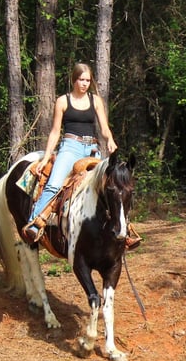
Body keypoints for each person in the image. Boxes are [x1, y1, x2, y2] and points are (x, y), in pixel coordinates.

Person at [22, 62, 118, 243]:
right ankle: (34, 223)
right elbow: (55, 131)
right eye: (81, 79)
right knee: (54, 184)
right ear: (74, 80)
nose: (84, 83)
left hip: (91, 149)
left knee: (111, 186)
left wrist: (110, 140)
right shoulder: (63, 101)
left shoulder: (95, 100)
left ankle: (122, 230)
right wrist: (47, 156)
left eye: (88, 80)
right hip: (70, 147)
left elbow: (104, 128)